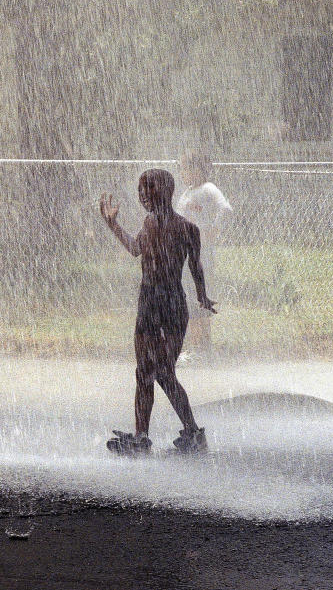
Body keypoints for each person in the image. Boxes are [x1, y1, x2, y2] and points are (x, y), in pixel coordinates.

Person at [99, 169, 216, 454]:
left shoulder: (188, 229)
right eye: (140, 190)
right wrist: (113, 225)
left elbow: (195, 267)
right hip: (148, 302)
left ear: (165, 191)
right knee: (143, 373)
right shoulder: (148, 223)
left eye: (147, 189)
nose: (142, 196)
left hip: (173, 305)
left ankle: (193, 433)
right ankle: (141, 437)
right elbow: (136, 249)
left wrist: (202, 297)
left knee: (164, 372)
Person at [176, 150, 232, 356]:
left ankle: (199, 349)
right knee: (189, 298)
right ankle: (199, 348)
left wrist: (213, 230)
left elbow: (225, 209)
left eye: (184, 168)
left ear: (196, 169)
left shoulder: (209, 189)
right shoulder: (187, 193)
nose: (181, 173)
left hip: (201, 255)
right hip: (185, 255)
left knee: (198, 297)